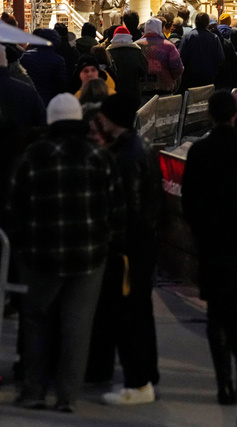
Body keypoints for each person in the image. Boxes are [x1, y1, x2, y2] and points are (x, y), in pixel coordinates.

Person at [6, 94, 124, 413]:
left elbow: (14, 205)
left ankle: (33, 391)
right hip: (89, 254)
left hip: (39, 254)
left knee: (36, 323)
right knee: (77, 327)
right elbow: (115, 206)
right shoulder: (99, 157)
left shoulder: (33, 155)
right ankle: (67, 396)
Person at [181, 91, 237, 405]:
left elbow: (189, 198)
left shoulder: (199, 151)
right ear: (234, 115)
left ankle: (223, 383)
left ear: (209, 114)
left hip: (211, 240)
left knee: (217, 316)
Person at [96, 93, 164, 406]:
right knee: (140, 312)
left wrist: (116, 244)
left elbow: (130, 209)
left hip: (128, 252)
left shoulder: (125, 157)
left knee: (130, 315)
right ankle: (147, 375)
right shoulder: (141, 148)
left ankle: (138, 383)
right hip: (142, 247)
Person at [136, 17, 184, 98]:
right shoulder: (168, 46)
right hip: (164, 92)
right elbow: (178, 68)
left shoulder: (136, 46)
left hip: (142, 92)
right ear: (160, 28)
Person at [19, 28, 68, 105]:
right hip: (49, 100)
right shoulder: (58, 60)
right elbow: (61, 85)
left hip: (28, 98)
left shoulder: (26, 56)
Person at [179, 12, 225, 90]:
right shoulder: (214, 38)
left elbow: (181, 57)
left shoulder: (188, 37)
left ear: (195, 22)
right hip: (208, 76)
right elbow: (220, 58)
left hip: (191, 76)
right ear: (207, 23)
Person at [106, 26, 148, 101]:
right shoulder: (137, 52)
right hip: (133, 94)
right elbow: (143, 72)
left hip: (114, 94)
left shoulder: (108, 53)